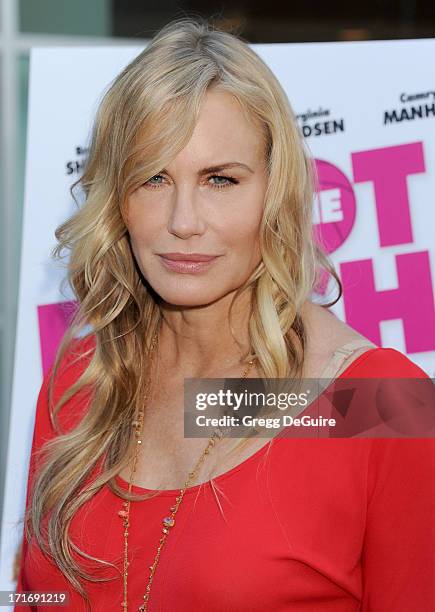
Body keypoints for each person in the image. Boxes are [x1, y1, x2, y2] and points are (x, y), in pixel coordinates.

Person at [15, 16, 434, 612]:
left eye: (220, 179)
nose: (183, 221)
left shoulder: (380, 406)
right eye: (153, 177)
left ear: (275, 190)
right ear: (117, 200)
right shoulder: (79, 386)